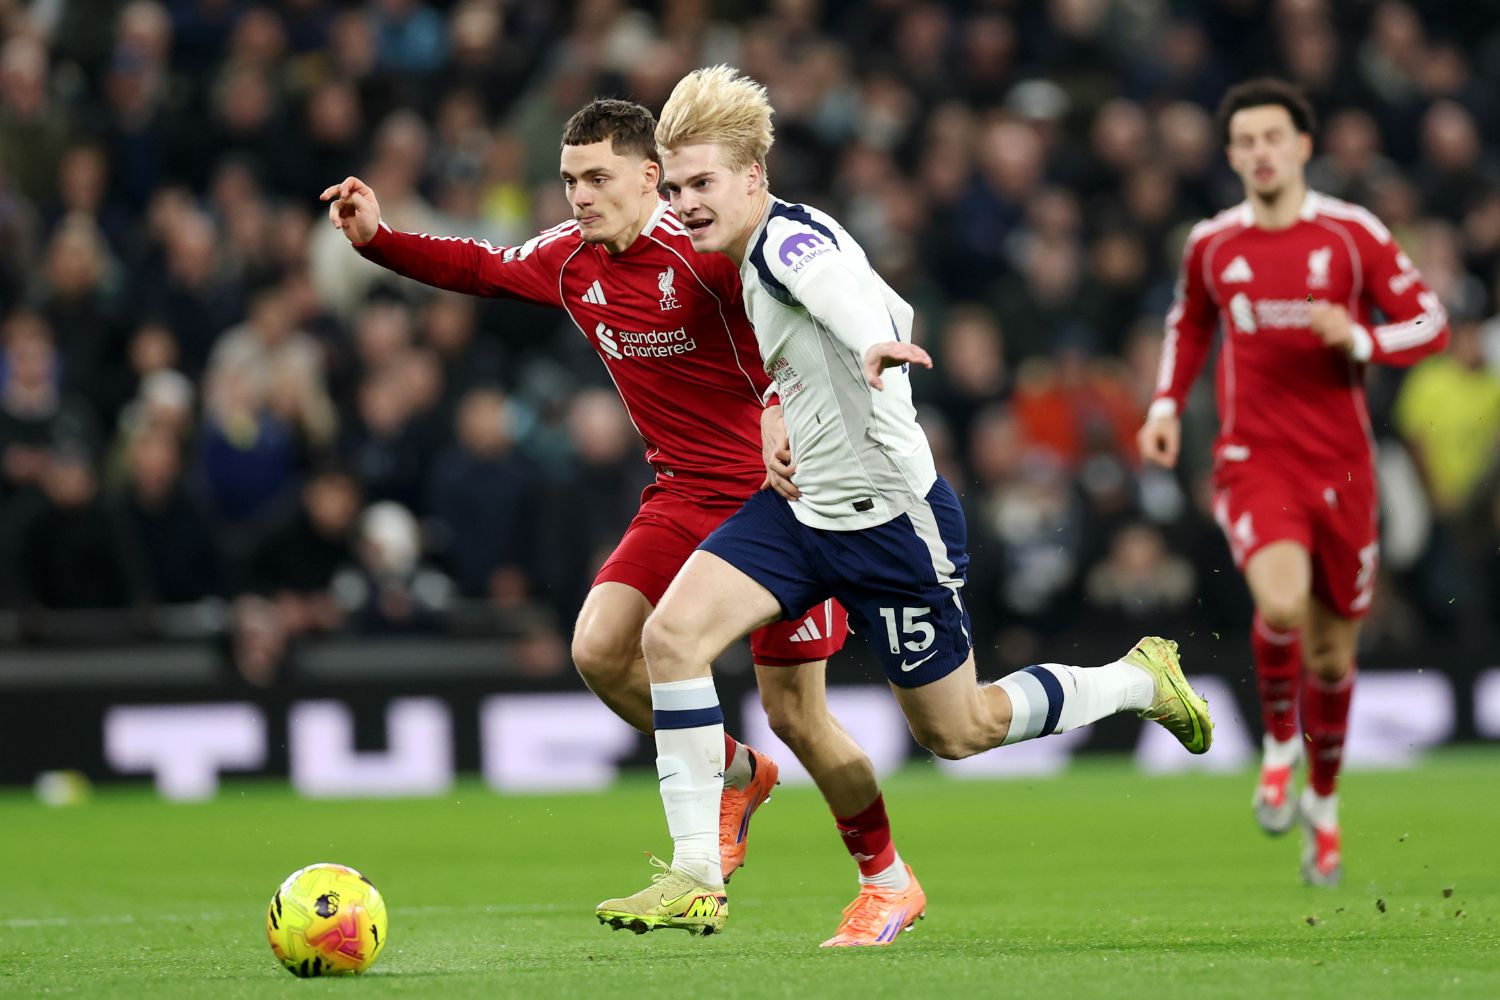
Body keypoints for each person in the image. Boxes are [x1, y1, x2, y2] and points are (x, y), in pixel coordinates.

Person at [594, 65, 1212, 940]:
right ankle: (703, 875)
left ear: (754, 179)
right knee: (671, 637)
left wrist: (872, 344)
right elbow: (883, 299)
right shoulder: (755, 245)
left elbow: (845, 297)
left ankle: (1135, 680)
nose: (687, 204)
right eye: (680, 186)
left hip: (891, 522)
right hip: (803, 509)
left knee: (959, 730)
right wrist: (781, 406)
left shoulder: (783, 245)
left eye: (704, 184)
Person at [321, 99, 918, 943]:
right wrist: (381, 239)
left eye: (598, 178)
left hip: (775, 500)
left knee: (798, 716)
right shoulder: (570, 259)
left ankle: (885, 877)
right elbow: (481, 267)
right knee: (599, 650)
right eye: (569, 180)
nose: (579, 196)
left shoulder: (708, 253)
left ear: (650, 178)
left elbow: (805, 324)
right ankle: (735, 778)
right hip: (679, 497)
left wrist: (784, 404)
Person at [1136, 79, 1449, 886]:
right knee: (1280, 603)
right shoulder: (1213, 243)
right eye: (1246, 141)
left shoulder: (1351, 235)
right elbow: (1190, 323)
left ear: (1303, 146)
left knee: (1335, 657)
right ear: (1233, 154)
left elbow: (1432, 322)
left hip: (1344, 468)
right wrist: (1168, 404)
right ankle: (1278, 748)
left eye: (1274, 137)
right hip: (1254, 458)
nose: (1261, 152)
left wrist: (1363, 337)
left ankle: (1326, 802)